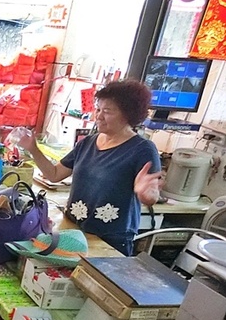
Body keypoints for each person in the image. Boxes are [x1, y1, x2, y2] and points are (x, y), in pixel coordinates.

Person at [19, 79, 162, 255]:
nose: (99, 116)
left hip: (110, 239)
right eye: (98, 109)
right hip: (74, 232)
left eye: (107, 111)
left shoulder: (142, 149)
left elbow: (152, 195)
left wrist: (145, 194)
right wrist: (33, 148)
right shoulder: (88, 142)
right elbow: (54, 174)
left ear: (128, 115)